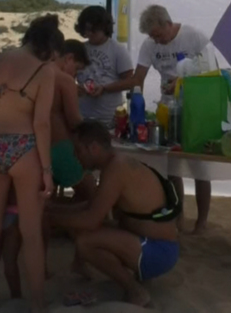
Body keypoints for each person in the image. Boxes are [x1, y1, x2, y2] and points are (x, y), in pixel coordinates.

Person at [0, 15, 61, 313]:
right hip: (25, 147)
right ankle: (38, 305)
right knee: (31, 234)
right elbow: (41, 124)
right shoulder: (44, 71)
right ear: (48, 48)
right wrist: (46, 170)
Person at [50, 120, 181, 308]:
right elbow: (93, 206)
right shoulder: (116, 163)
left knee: (85, 241)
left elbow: (91, 219)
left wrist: (50, 218)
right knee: (87, 231)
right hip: (156, 244)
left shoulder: (116, 169)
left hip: (159, 251)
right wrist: (52, 209)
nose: (75, 156)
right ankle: (136, 277)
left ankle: (135, 290)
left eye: (78, 150)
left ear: (94, 148)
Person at [132, 4, 213, 234]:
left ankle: (202, 221)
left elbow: (213, 72)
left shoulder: (193, 36)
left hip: (196, 109)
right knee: (172, 166)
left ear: (168, 24)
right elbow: (138, 76)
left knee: (199, 167)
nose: (156, 41)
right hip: (168, 108)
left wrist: (184, 82)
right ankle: (178, 216)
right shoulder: (149, 45)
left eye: (158, 35)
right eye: (152, 37)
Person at [74, 6, 135, 126]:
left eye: (93, 30)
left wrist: (105, 88)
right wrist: (73, 88)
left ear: (104, 27)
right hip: (82, 116)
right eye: (86, 30)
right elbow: (66, 77)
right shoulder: (79, 49)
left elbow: (130, 81)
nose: (89, 33)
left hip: (109, 118)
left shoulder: (117, 50)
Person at [51, 39, 95, 199]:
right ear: (69, 58)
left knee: (47, 202)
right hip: (61, 147)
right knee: (92, 196)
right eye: (76, 69)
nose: (75, 75)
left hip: (40, 148)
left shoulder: (40, 74)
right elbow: (74, 120)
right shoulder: (64, 80)